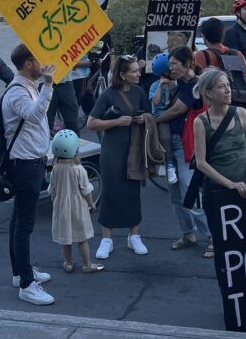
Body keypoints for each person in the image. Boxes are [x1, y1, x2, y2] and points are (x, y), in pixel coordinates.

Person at [1, 44, 56, 306]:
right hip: (24, 165)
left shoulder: (28, 88)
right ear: (29, 63)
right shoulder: (17, 92)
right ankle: (26, 283)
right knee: (24, 224)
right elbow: (34, 116)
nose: (43, 63)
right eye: (39, 59)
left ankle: (19, 272)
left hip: (31, 162)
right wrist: (49, 85)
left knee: (18, 219)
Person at [88, 54, 151, 260]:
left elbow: (149, 115)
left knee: (133, 190)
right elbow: (91, 123)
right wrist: (115, 122)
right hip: (112, 149)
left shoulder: (140, 92)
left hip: (134, 148)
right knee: (110, 191)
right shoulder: (107, 94)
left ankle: (135, 235)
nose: (138, 73)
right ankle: (107, 238)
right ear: (123, 75)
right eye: (134, 71)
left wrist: (143, 119)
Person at [154, 46, 212, 256]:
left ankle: (213, 236)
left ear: (187, 63)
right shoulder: (180, 84)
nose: (171, 69)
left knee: (190, 191)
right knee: (176, 194)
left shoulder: (195, 85)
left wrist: (154, 121)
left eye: (174, 64)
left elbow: (178, 109)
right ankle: (188, 233)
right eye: (169, 65)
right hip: (175, 143)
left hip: (187, 144)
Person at [191, 69, 246, 226]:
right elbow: (201, 162)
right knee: (221, 238)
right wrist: (230, 184)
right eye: (221, 87)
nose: (228, 90)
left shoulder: (241, 113)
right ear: (208, 93)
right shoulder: (201, 122)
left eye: (228, 85)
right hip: (217, 190)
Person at [48, 129, 103, 274]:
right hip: (78, 207)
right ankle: (87, 264)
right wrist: (92, 204)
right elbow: (86, 190)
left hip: (61, 207)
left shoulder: (55, 169)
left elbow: (52, 190)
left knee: (65, 238)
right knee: (82, 238)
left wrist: (56, 202)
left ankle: (68, 263)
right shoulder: (79, 169)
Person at [195, 17, 246, 123]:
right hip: (237, 107)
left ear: (204, 36)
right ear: (222, 35)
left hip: (213, 112)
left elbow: (199, 87)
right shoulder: (237, 54)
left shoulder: (202, 55)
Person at [147, 53, 176, 182]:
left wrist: (173, 89)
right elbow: (156, 102)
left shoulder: (175, 84)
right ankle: (168, 165)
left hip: (172, 113)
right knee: (165, 136)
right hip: (160, 116)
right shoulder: (154, 86)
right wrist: (160, 86)